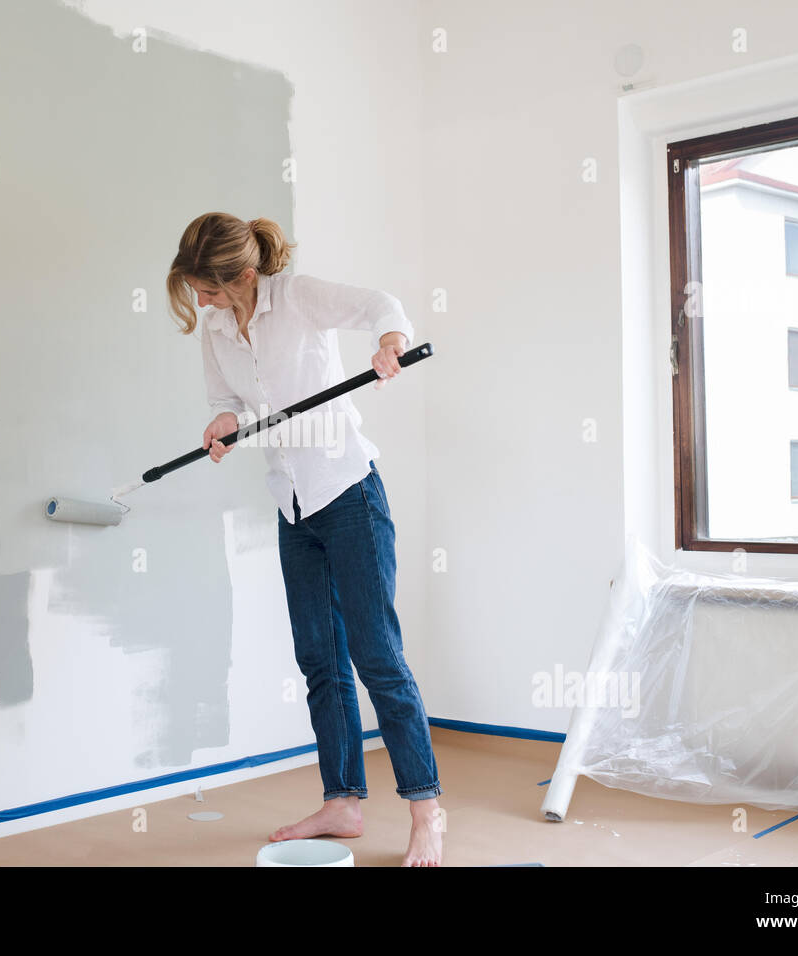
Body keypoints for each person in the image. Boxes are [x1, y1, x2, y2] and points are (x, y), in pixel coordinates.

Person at [166, 211, 443, 866]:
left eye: (207, 287)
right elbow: (224, 400)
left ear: (239, 275)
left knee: (377, 655)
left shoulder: (296, 296)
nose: (201, 300)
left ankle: (427, 811)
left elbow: (381, 305)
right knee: (320, 657)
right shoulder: (215, 327)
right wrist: (225, 424)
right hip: (293, 503)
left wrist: (389, 342)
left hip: (348, 493)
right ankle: (343, 801)